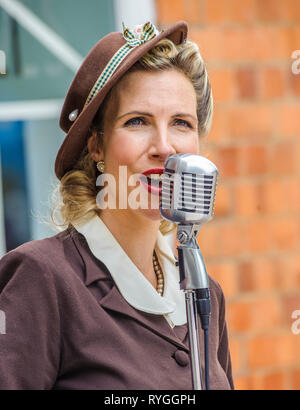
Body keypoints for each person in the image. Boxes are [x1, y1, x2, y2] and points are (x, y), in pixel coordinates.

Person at [0, 20, 234, 390]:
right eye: (138, 121)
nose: (164, 146)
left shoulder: (203, 290)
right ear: (96, 146)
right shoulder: (42, 278)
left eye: (181, 123)